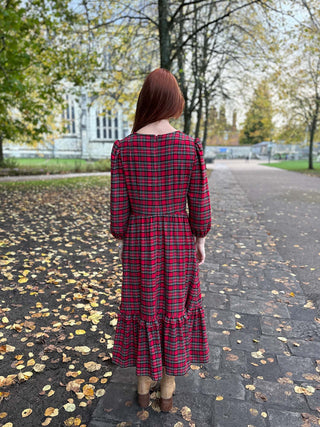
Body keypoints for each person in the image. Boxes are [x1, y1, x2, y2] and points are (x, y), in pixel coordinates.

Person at [110, 68, 212, 412]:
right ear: (173, 101)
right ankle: (166, 397)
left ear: (145, 100)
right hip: (179, 239)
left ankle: (142, 391)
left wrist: (125, 237)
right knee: (174, 307)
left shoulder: (124, 148)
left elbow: (117, 212)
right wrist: (200, 238)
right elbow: (199, 203)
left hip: (140, 240)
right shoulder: (190, 147)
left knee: (143, 306)